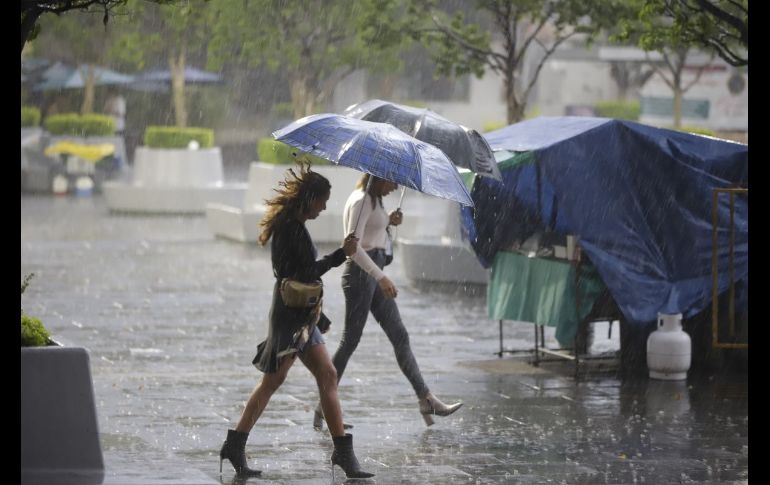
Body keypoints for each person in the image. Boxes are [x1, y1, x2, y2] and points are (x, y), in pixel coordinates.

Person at [219, 163, 374, 479]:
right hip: (292, 319)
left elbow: (298, 273)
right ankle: (236, 444)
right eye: (323, 202)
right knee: (279, 381)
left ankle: (342, 452)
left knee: (324, 375)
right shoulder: (291, 228)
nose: (324, 208)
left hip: (300, 317)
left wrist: (319, 314)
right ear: (310, 198)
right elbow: (305, 273)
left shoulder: (293, 225)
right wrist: (341, 254)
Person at [313, 173, 463, 429]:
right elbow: (353, 248)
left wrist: (388, 223)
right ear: (379, 178)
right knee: (350, 342)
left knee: (399, 335)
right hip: (361, 278)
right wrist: (381, 277)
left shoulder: (374, 201)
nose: (395, 187)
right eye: (393, 181)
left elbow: (372, 236)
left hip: (372, 275)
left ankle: (426, 399)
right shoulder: (361, 201)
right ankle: (323, 407)